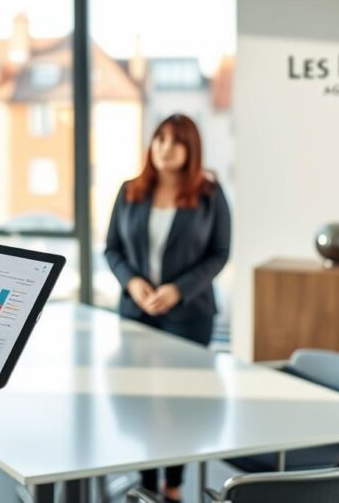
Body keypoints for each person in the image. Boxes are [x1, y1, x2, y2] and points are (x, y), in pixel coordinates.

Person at [104, 113, 231, 502]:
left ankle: (173, 486)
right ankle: (146, 482)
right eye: (160, 139)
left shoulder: (210, 194)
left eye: (176, 142)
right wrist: (133, 282)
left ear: (191, 150)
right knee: (141, 399)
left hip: (189, 316)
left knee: (179, 403)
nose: (165, 148)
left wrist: (179, 290)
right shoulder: (130, 191)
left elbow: (219, 253)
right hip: (137, 312)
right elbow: (112, 249)